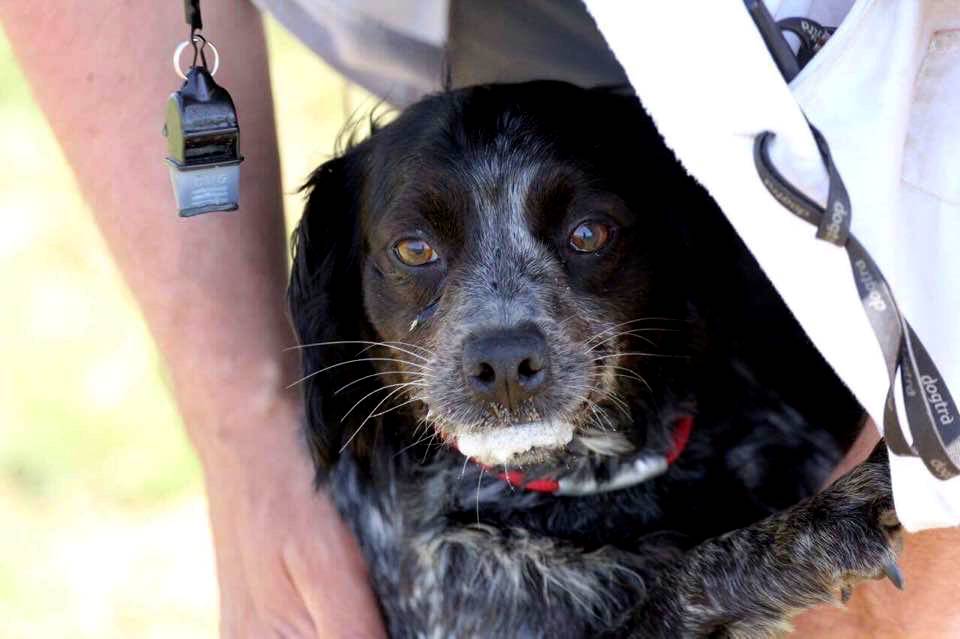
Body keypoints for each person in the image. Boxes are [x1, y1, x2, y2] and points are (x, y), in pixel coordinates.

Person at [2, 1, 958, 637]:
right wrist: (246, 434)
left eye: (586, 233)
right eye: (417, 252)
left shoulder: (732, 332)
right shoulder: (415, 522)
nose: (505, 341)